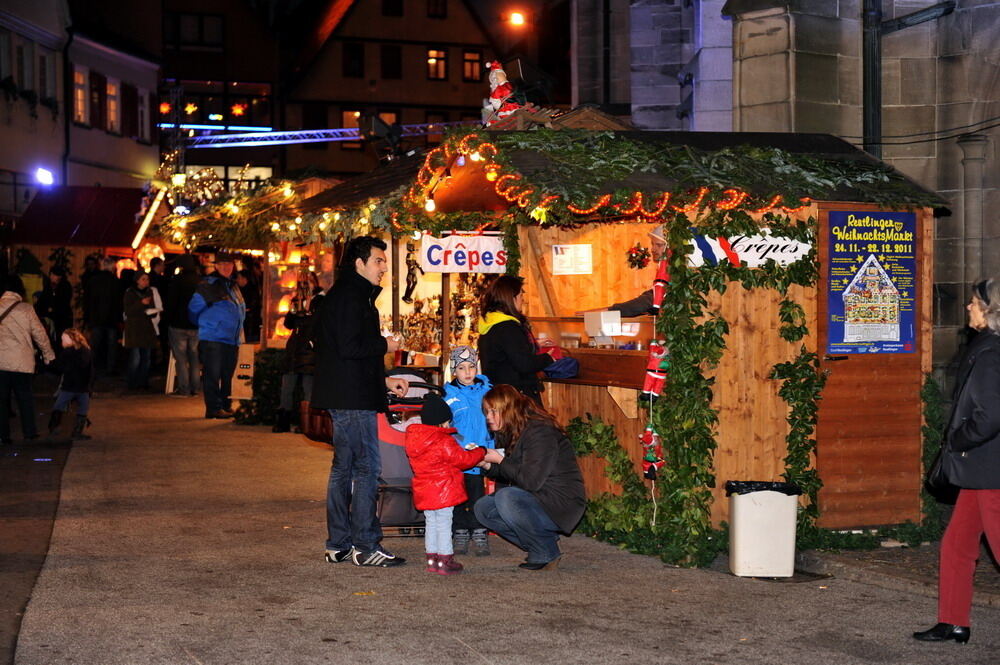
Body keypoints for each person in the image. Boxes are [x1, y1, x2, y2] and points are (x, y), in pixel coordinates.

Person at [311, 235, 408, 567]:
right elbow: (350, 348)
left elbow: (345, 353)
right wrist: (387, 346)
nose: (384, 268)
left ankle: (338, 543)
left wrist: (382, 379)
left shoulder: (348, 295)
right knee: (367, 468)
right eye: (379, 261)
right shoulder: (352, 298)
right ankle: (366, 546)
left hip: (347, 392)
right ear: (359, 263)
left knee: (344, 469)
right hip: (352, 398)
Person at [913, 278, 1000, 645]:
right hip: (981, 469)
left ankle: (953, 621)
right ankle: (953, 621)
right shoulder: (988, 348)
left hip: (988, 468)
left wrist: (957, 440)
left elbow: (991, 415)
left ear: (991, 310)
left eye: (974, 303)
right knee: (957, 546)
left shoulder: (991, 352)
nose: (968, 308)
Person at [474, 384, 586, 570]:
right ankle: (543, 546)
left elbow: (530, 481)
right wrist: (487, 465)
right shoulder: (511, 429)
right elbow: (510, 473)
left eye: (493, 412)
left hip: (560, 502)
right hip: (538, 497)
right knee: (483, 508)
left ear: (508, 410)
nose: (488, 418)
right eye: (486, 412)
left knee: (506, 498)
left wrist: (500, 460)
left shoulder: (540, 431)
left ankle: (544, 550)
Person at [404, 394, 486, 575]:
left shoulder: (415, 440)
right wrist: (481, 451)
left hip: (424, 490)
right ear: (442, 422)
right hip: (444, 491)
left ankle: (432, 560)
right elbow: (463, 460)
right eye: (448, 422)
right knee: (444, 524)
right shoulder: (443, 440)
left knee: (431, 524)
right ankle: (446, 560)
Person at [443, 345, 495, 555]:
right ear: (454, 370)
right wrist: (457, 446)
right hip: (458, 456)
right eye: (462, 368)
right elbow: (446, 427)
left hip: (481, 454)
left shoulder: (488, 392)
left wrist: (491, 449)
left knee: (478, 495)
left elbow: (495, 421)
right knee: (458, 496)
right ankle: (461, 531)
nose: (467, 372)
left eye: (471, 367)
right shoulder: (448, 395)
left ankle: (479, 530)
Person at [477, 275, 555, 404]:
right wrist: (548, 358)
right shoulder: (508, 327)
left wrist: (529, 344)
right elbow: (524, 364)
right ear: (511, 298)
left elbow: (505, 352)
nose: (522, 300)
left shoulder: (491, 323)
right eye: (520, 296)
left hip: (499, 396)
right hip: (517, 399)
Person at [188, 253, 245, 419]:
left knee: (227, 374)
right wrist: (209, 324)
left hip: (231, 338)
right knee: (212, 375)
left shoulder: (232, 285)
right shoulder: (208, 285)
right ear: (216, 266)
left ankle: (225, 406)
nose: (226, 267)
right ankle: (213, 408)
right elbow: (193, 310)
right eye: (222, 264)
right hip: (214, 338)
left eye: (229, 264)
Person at [0, 275, 56, 444]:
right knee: (25, 397)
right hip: (22, 361)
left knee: (1, 400)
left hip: (1, 362)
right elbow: (40, 334)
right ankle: (29, 433)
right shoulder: (26, 309)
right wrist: (49, 355)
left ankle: (3, 435)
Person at [274, 292, 323, 433]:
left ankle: (306, 424)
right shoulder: (297, 300)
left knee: (308, 390)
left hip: (309, 352)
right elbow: (289, 324)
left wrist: (307, 312)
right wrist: (294, 309)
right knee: (286, 389)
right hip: (294, 351)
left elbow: (315, 324)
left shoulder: (320, 301)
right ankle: (283, 422)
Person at [607, 224, 668, 317]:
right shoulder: (664, 267)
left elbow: (648, 300)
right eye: (652, 244)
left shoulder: (667, 270)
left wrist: (609, 311)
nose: (653, 249)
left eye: (658, 245)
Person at [46, 328, 95, 440]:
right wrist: (90, 386)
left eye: (64, 339)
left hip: (70, 386)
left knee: (59, 406)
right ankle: (76, 432)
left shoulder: (69, 352)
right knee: (82, 408)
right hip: (82, 387)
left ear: (72, 339)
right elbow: (91, 371)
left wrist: (49, 365)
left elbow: (63, 368)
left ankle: (54, 428)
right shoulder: (86, 351)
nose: (62, 342)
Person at [165, 255, 201, 397]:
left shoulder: (177, 281)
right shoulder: (200, 281)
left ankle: (184, 388)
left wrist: (168, 320)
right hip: (196, 324)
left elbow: (171, 302)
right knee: (194, 356)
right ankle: (196, 388)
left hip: (178, 323)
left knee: (181, 358)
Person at [123, 271, 161, 391]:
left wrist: (153, 312)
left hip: (147, 328)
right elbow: (128, 311)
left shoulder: (149, 292)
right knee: (135, 357)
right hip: (134, 328)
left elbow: (152, 307)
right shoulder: (130, 293)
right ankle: (132, 383)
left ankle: (143, 382)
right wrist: (141, 303)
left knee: (146, 358)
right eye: (143, 279)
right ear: (137, 280)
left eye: (147, 279)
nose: (146, 282)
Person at [83, 257, 121, 375]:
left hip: (96, 318)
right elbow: (118, 302)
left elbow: (87, 300)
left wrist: (88, 317)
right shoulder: (115, 281)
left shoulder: (93, 280)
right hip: (111, 319)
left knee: (95, 345)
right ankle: (110, 369)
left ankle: (91, 367)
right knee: (111, 346)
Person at [34, 267, 73, 349]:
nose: (51, 276)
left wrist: (51, 309)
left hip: (62, 319)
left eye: (53, 275)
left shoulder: (65, 286)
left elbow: (63, 303)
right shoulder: (48, 285)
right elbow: (43, 300)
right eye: (51, 274)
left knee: (61, 342)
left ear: (59, 276)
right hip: (51, 319)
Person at [236, 269, 262, 344]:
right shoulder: (237, 290)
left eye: (239, 278)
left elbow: (252, 305)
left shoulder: (252, 290)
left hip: (251, 322)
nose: (237, 280)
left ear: (245, 279)